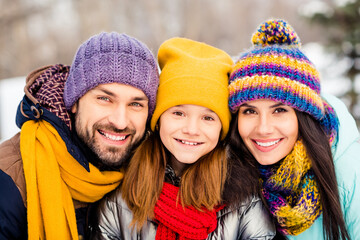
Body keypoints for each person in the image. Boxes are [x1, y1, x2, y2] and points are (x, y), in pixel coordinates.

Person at [90, 37, 276, 239]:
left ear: (222, 129)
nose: (191, 129)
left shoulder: (245, 200)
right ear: (159, 119)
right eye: (178, 113)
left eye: (208, 117)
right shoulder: (121, 197)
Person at [0, 32, 159, 240]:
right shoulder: (11, 179)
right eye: (104, 98)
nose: (120, 122)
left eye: (136, 104)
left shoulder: (149, 171)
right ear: (74, 101)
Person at [228, 19, 360, 240]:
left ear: (304, 117)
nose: (263, 128)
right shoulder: (234, 171)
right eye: (250, 111)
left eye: (279, 110)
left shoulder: (346, 170)